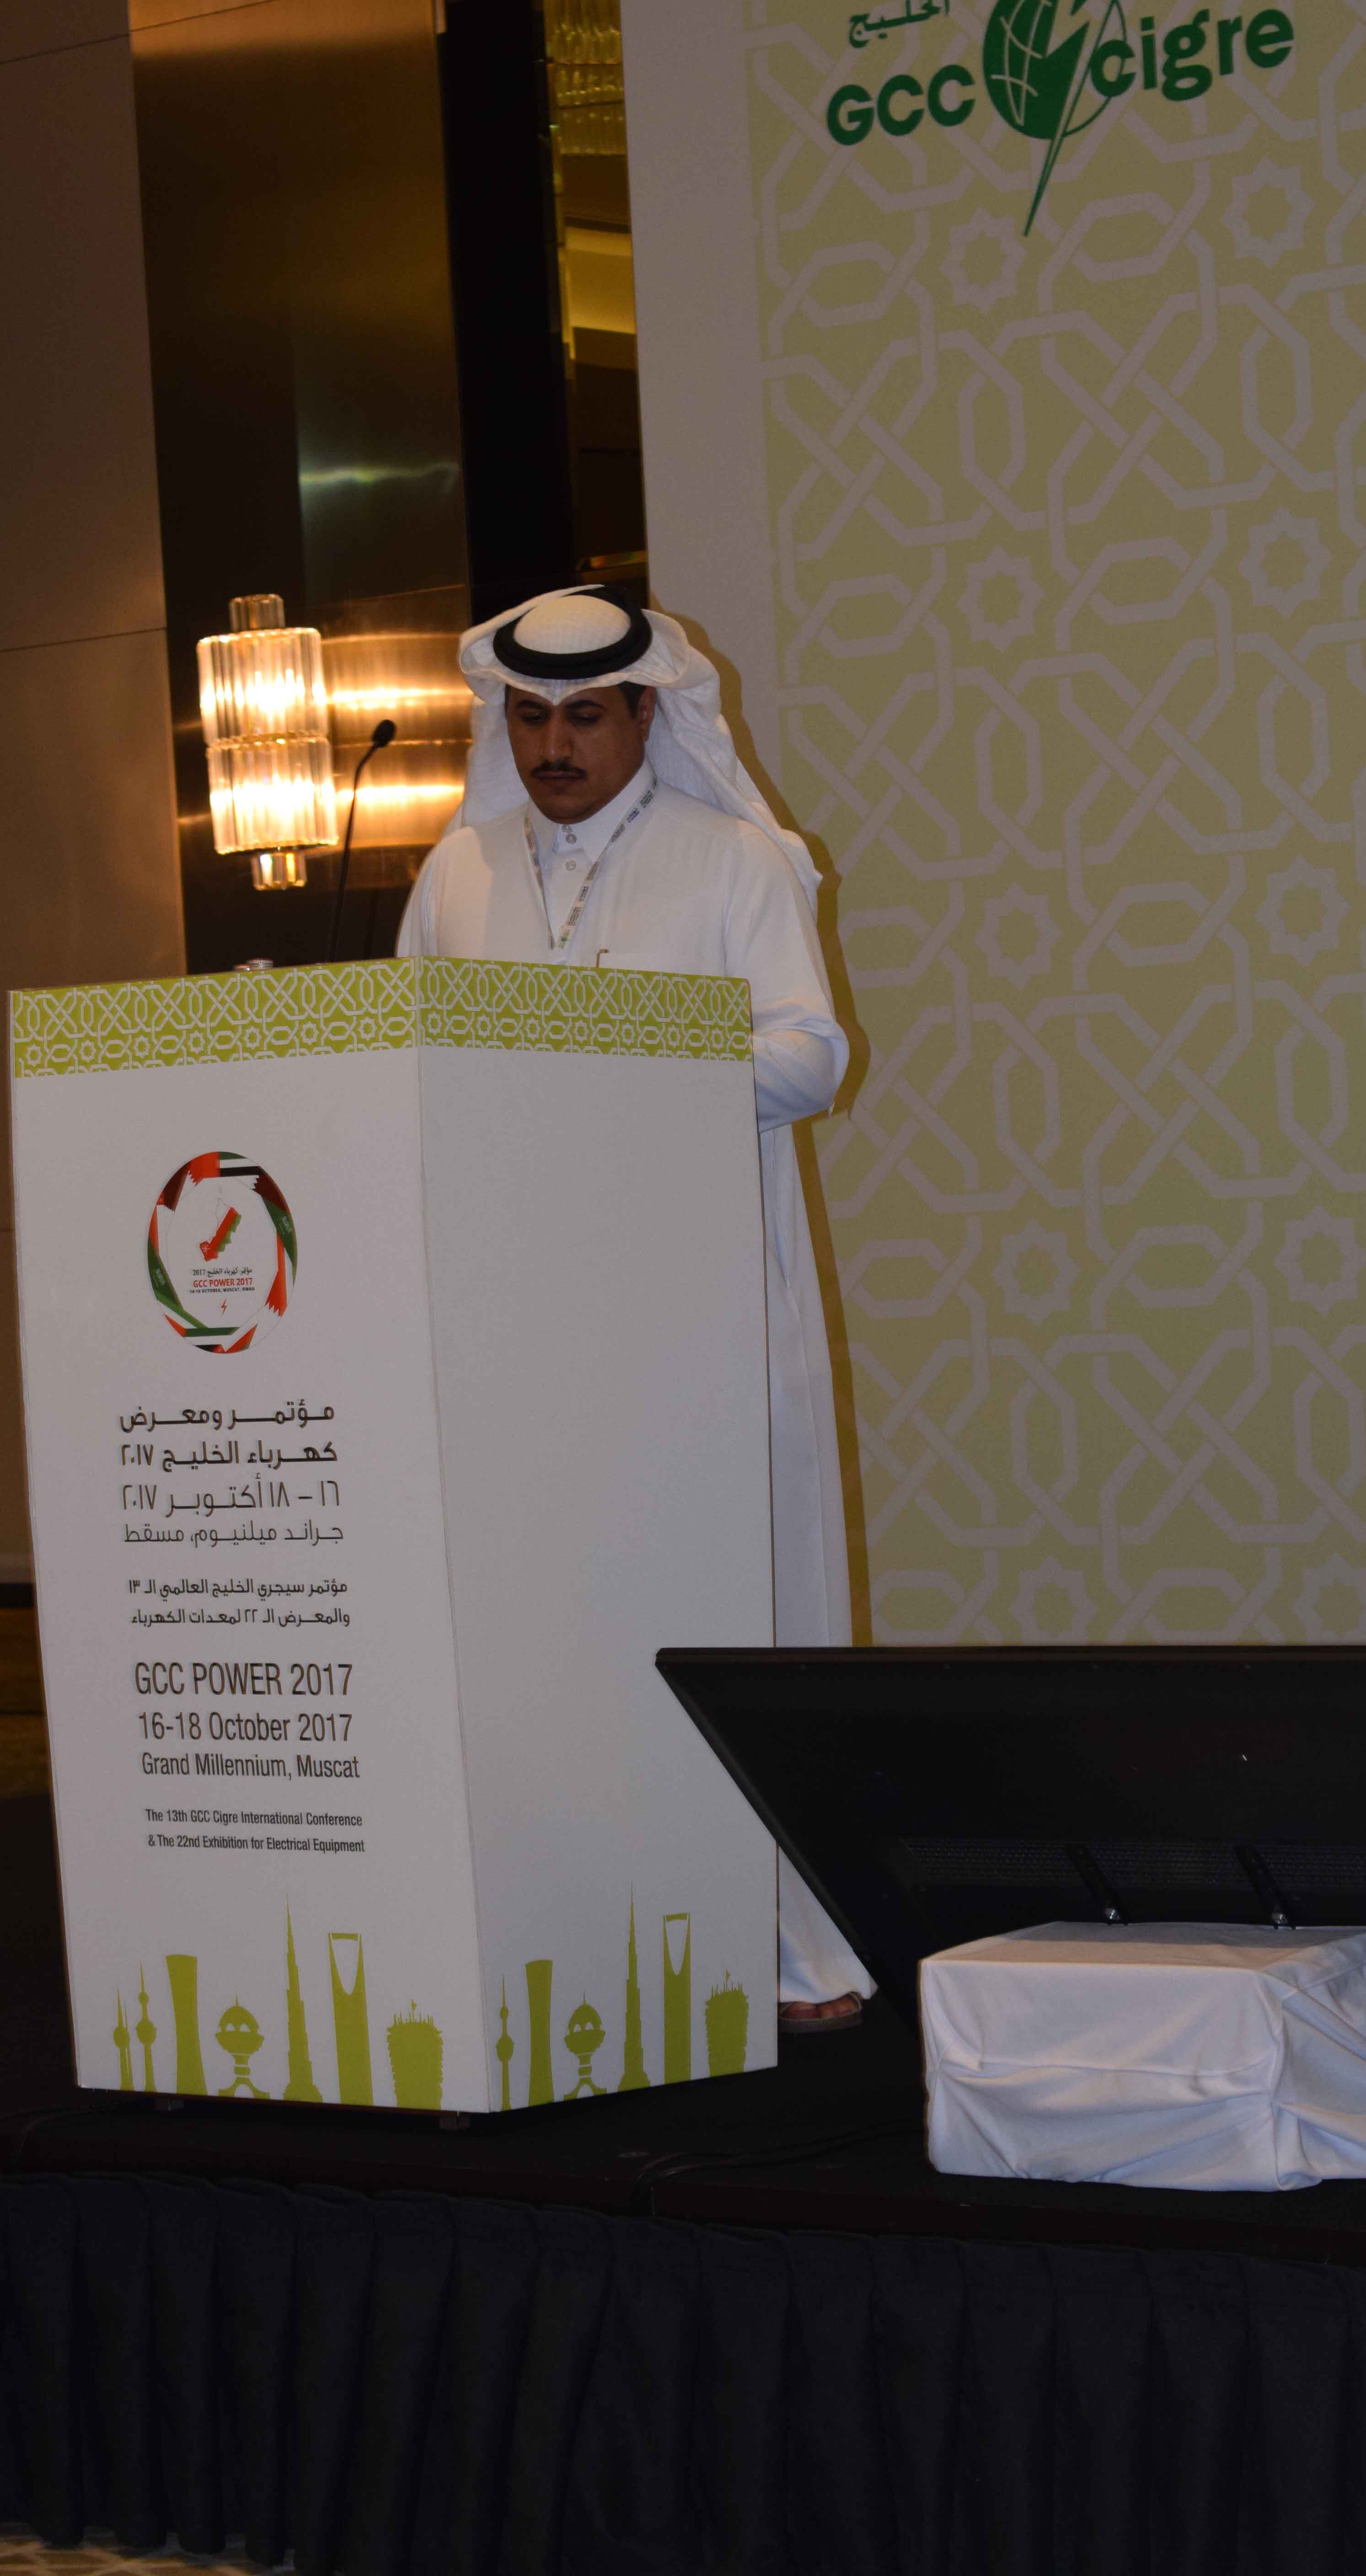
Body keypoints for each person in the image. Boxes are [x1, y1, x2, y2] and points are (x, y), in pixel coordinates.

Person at [397, 583, 872, 2028]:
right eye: (530, 719)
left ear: (647, 715)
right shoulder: (458, 871)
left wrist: (610, 1062)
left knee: (727, 1609)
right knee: (555, 1635)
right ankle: (581, 1930)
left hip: (697, 1317)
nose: (555, 748)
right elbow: (412, 1061)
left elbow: (812, 1060)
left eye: (586, 718)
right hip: (518, 1323)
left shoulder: (734, 862)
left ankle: (788, 1948)